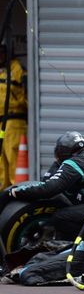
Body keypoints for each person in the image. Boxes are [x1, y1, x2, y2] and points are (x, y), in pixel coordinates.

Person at [10, 131, 84, 243]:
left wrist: (15, 192)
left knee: (60, 218)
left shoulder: (75, 163)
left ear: (62, 153)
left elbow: (49, 189)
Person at [0, 42, 27, 189]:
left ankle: (15, 192)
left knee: (13, 158)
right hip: (1, 121)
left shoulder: (17, 69)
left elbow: (28, 94)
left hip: (14, 120)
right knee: (1, 162)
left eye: (3, 52)